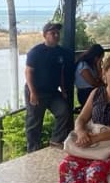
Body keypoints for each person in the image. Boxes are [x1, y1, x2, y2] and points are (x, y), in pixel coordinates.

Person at [24, 22, 75, 152]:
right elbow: (28, 72)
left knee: (63, 111)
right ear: (45, 35)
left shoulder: (61, 52)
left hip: (52, 92)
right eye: (53, 33)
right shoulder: (35, 52)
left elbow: (61, 72)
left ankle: (56, 141)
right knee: (34, 122)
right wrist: (32, 92)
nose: (56, 35)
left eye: (58, 33)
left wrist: (63, 89)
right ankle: (33, 150)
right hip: (36, 91)